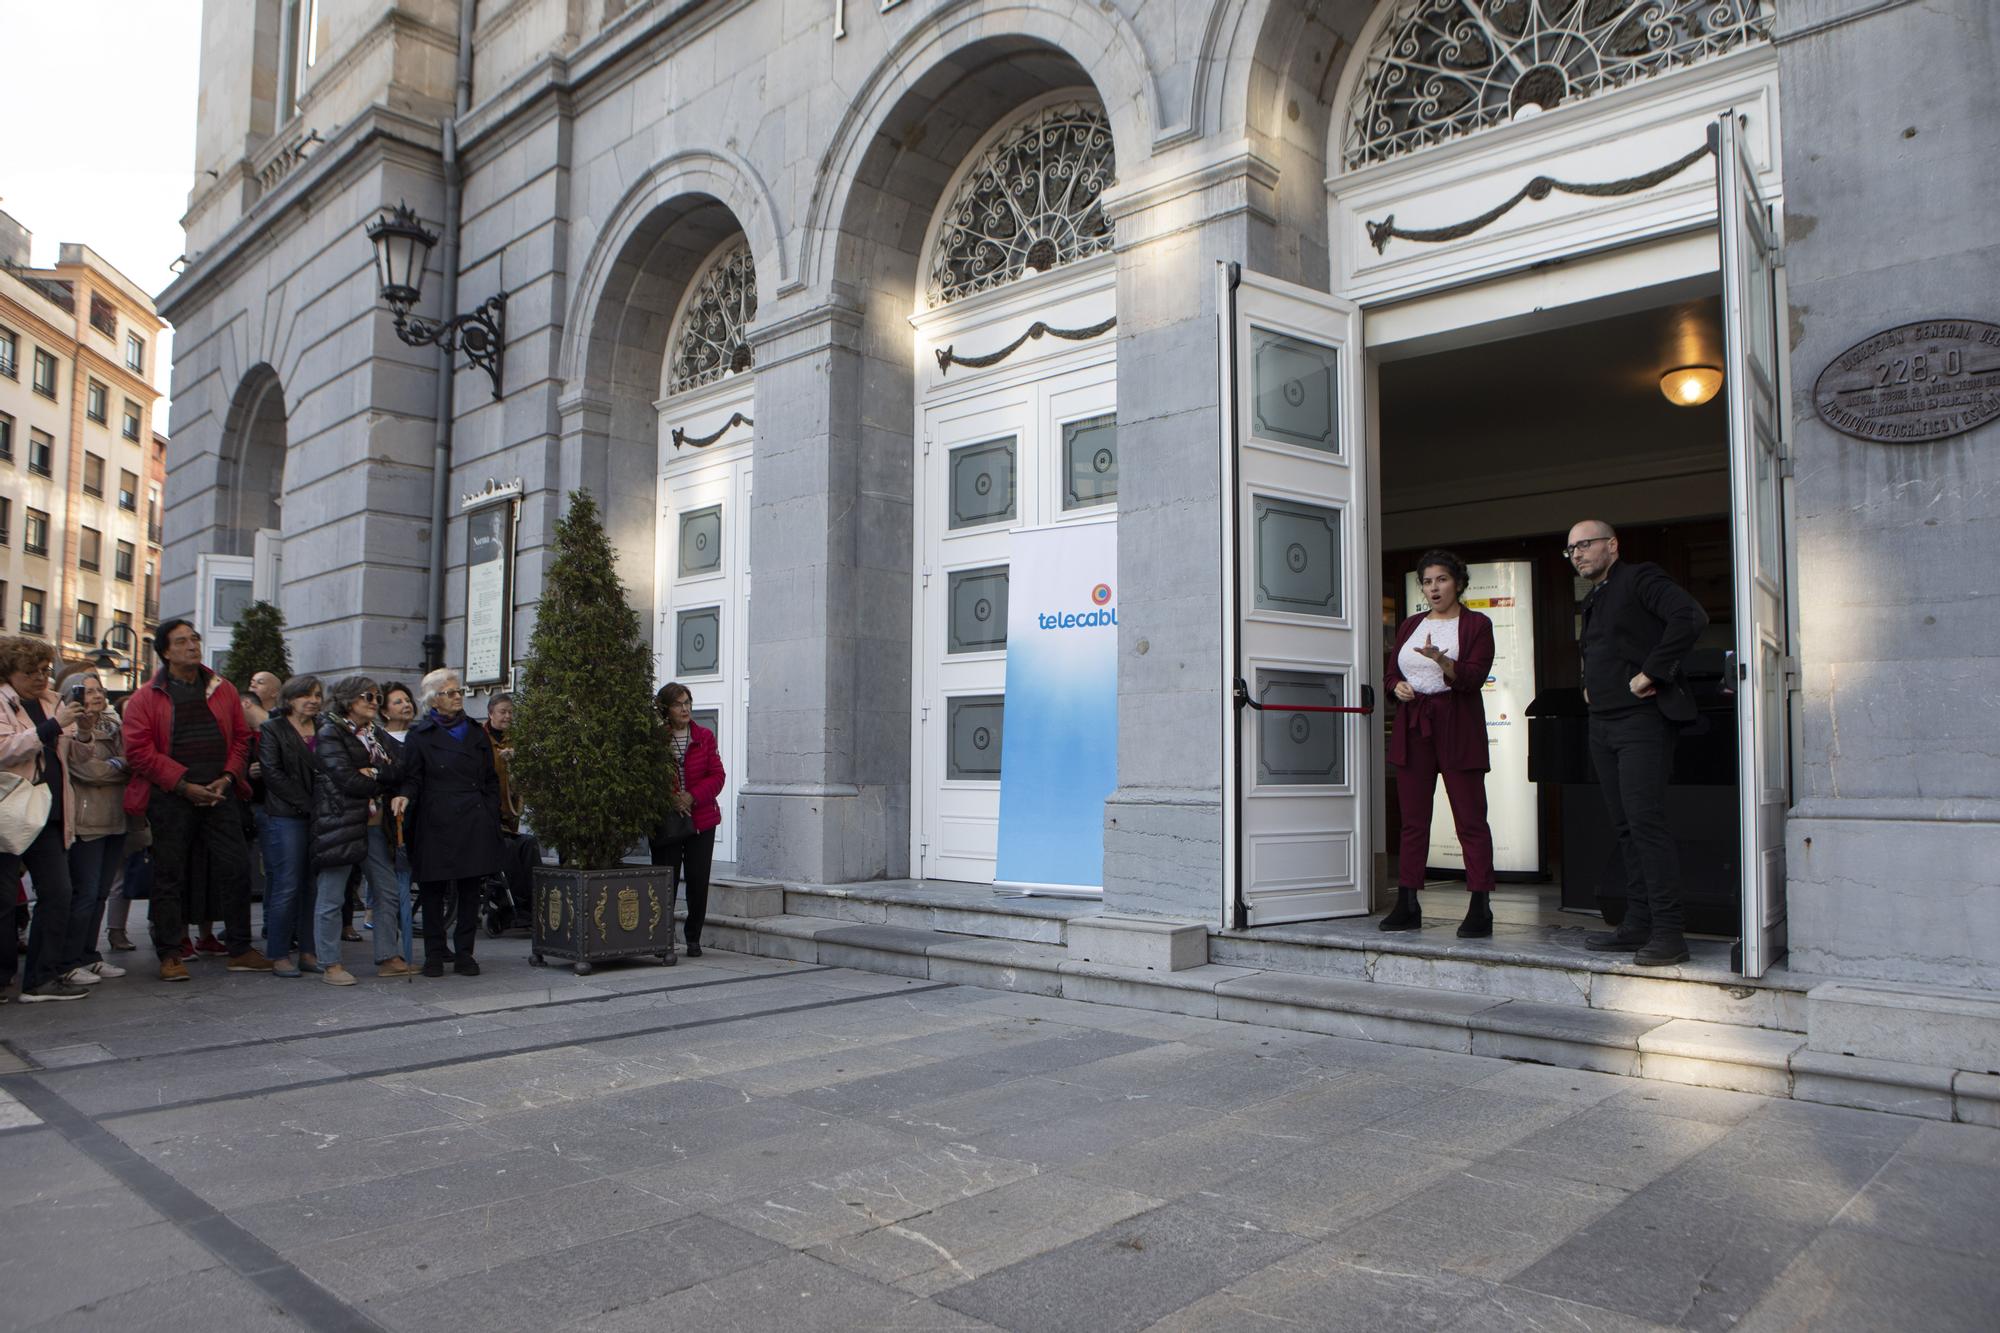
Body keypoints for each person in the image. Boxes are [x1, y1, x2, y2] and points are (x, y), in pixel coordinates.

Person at [1567, 519, 1710, 967]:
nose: (1577, 554)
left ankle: (1670, 934)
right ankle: (1638, 923)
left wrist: (1653, 672)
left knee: (1645, 823)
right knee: (1625, 826)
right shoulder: (1595, 597)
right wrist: (1589, 686)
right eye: (1570, 549)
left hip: (1642, 720)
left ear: (1612, 544)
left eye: (1585, 544)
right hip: (1603, 723)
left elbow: (1690, 617)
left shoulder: (1639, 577)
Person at [121, 619, 275, 982]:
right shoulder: (147, 696)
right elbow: (139, 752)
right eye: (181, 641)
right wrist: (183, 784)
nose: (192, 646)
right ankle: (170, 953)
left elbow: (241, 738)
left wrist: (227, 777)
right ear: (165, 652)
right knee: (169, 875)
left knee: (237, 868)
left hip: (220, 793)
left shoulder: (221, 690)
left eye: (195, 639)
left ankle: (239, 947)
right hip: (171, 797)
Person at [1381, 550, 1498, 938]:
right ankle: (1408, 902)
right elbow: (1392, 670)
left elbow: (1474, 677)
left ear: (1458, 583)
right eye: (1427, 581)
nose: (1434, 588)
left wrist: (1442, 662)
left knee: (1470, 818)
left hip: (1457, 724)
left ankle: (1480, 904)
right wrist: (1395, 686)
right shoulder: (1411, 624)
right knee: (1413, 820)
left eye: (1441, 580)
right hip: (1414, 725)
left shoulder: (1477, 624)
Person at [392, 669, 504, 977]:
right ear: (434, 700)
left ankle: (465, 953)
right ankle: (434, 954)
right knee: (432, 891)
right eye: (450, 692)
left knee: (470, 889)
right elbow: (413, 778)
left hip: (473, 817)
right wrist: (404, 797)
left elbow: (490, 778)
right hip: (435, 819)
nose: (458, 697)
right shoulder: (420, 736)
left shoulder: (474, 732)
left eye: (459, 691)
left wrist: (489, 811)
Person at [0, 636, 88, 1001]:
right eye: (31, 672)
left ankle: (40, 978)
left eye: (45, 671)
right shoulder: (3, 701)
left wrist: (83, 730)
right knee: (4, 901)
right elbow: (4, 748)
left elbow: (76, 753)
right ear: (10, 673)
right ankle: (3, 978)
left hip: (49, 813)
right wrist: (52, 727)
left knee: (58, 893)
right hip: (9, 813)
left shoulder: (55, 701)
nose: (40, 678)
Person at [311, 676, 413, 983]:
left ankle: (387, 956)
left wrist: (376, 772)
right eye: (368, 696)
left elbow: (400, 768)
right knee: (332, 895)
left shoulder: (377, 734)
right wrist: (380, 780)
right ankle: (330, 964)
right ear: (348, 700)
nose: (374, 702)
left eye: (377, 697)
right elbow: (346, 779)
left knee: (387, 890)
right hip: (340, 822)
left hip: (373, 825)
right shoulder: (330, 732)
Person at [54, 666, 131, 987]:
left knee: (100, 893)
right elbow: (88, 771)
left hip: (116, 818)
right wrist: (116, 766)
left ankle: (89, 955)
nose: (97, 695)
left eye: (99, 689)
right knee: (84, 894)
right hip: (86, 820)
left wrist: (116, 765)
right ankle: (68, 960)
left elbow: (132, 761)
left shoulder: (115, 725)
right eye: (88, 691)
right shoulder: (67, 728)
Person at [648, 682, 724, 959]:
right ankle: (661, 939)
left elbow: (717, 776)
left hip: (701, 818)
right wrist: (671, 798)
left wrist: (691, 797)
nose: (685, 708)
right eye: (678, 704)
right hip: (666, 820)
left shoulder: (704, 736)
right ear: (666, 709)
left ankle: (693, 938)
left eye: (688, 702)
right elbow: (648, 777)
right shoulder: (655, 740)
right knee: (663, 879)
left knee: (697, 880)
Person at [257, 675, 322, 976]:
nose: (313, 700)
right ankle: (279, 953)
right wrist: (307, 804)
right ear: (289, 698)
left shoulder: (325, 729)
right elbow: (272, 773)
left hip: (319, 815)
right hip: (285, 815)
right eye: (305, 695)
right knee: (287, 883)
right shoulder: (273, 729)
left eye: (318, 695)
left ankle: (308, 951)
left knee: (312, 885)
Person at [482, 693, 540, 931]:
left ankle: (532, 906)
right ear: (490, 713)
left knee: (528, 845)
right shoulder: (481, 740)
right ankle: (510, 905)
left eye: (510, 712)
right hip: (486, 818)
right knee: (507, 850)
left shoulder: (514, 740)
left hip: (509, 817)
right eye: (502, 711)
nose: (507, 716)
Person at [380, 681, 418, 954]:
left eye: (408, 699)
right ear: (384, 711)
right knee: (392, 883)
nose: (406, 705)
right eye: (397, 701)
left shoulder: (420, 736)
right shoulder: (378, 740)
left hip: (420, 814)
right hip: (390, 818)